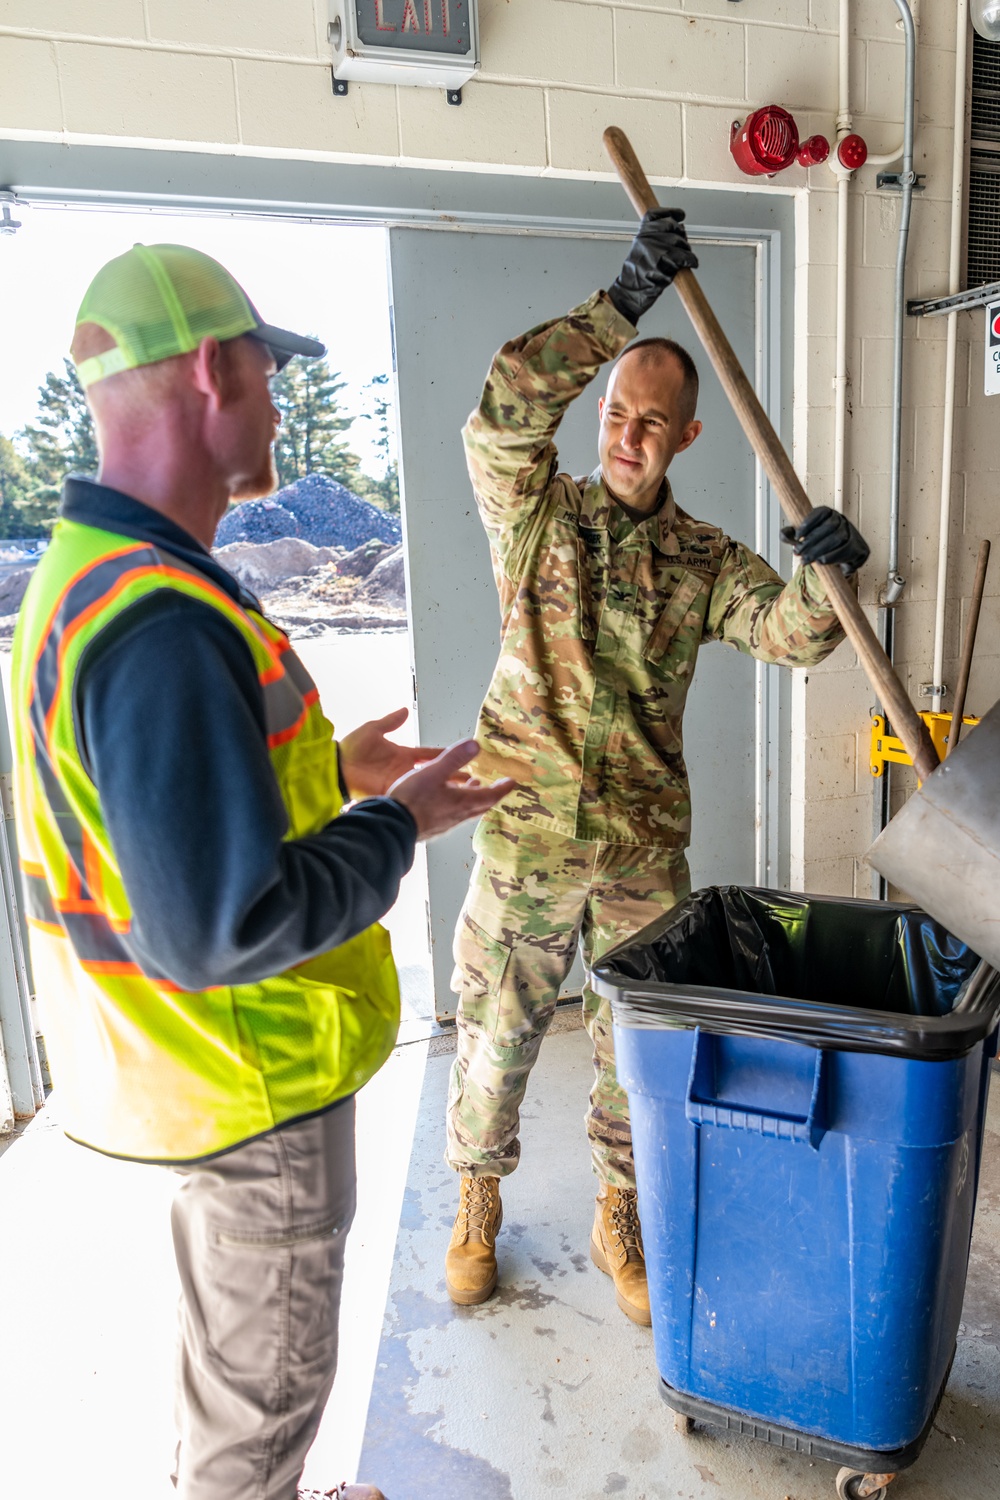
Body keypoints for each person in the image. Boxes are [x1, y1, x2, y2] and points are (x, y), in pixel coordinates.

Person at [10, 243, 514, 1500]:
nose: (279, 405)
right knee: (263, 1403)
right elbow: (223, 924)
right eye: (266, 374)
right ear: (206, 367)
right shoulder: (166, 624)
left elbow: (159, 816)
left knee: (234, 1367)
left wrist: (329, 772)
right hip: (248, 1083)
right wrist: (394, 824)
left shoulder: (97, 582)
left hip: (182, 1071)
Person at [443, 211, 870, 1324]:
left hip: (640, 855)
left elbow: (783, 635)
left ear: (685, 438)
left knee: (638, 1052)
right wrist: (617, 307)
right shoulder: (537, 516)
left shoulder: (705, 559)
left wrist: (828, 581)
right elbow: (498, 418)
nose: (625, 434)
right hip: (526, 840)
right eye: (615, 413)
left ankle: (618, 1211)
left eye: (651, 422)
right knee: (494, 1038)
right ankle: (476, 1201)